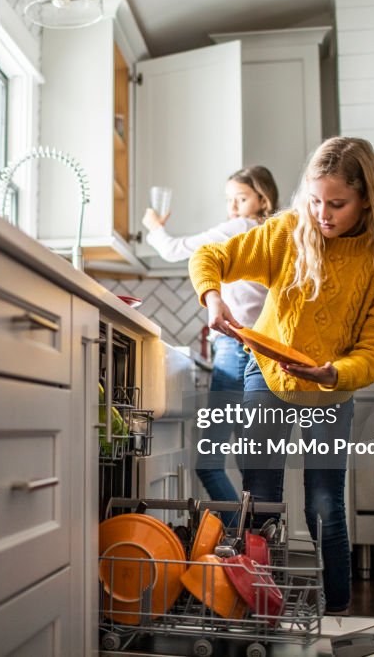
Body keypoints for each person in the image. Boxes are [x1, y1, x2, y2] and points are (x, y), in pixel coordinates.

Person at [188, 137, 374, 615]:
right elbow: (210, 259)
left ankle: (335, 617)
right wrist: (213, 297)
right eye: (315, 201)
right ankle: (262, 615)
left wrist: (334, 372)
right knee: (262, 505)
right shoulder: (288, 231)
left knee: (325, 509)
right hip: (266, 378)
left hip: (331, 393)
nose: (322, 214)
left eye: (337, 204)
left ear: (366, 201)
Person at [142, 166, 278, 513]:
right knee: (253, 467)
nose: (233, 207)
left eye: (241, 198)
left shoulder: (241, 228)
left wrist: (155, 226)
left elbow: (175, 251)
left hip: (236, 349)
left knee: (210, 463)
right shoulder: (272, 234)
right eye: (229, 200)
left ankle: (241, 540)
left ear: (263, 198)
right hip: (261, 354)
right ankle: (254, 547)